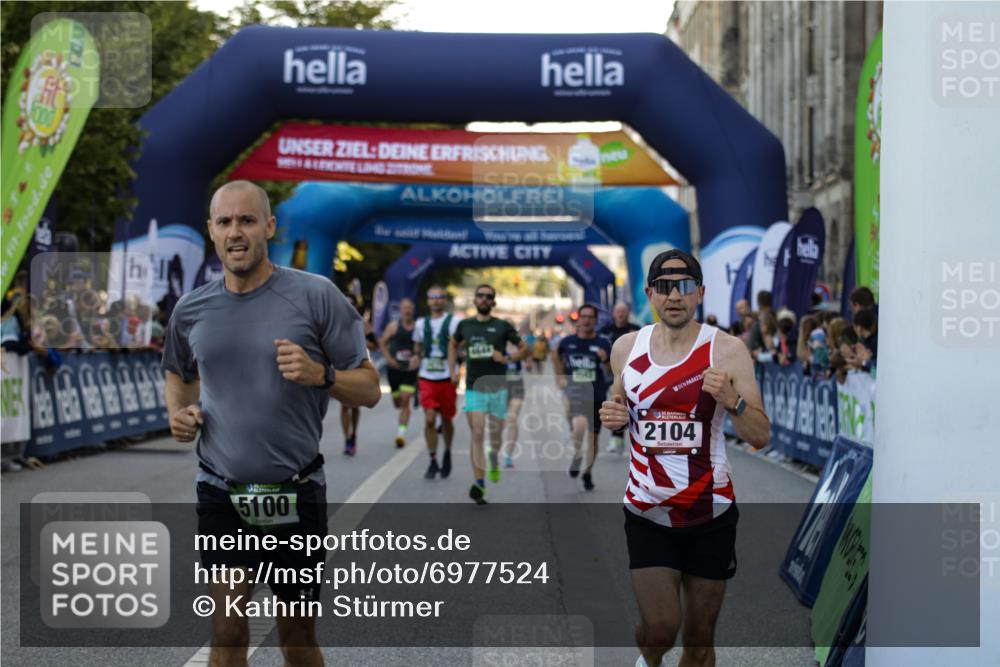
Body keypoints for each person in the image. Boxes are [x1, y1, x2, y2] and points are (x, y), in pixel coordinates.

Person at [163, 180, 380, 667]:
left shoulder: (316, 296)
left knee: (297, 637)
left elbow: (370, 389)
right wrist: (178, 414)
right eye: (225, 222)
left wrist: (320, 374)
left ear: (269, 227)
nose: (235, 232)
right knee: (228, 629)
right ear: (211, 232)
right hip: (221, 489)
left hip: (296, 490)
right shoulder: (191, 308)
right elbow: (178, 372)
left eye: (246, 220)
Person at [599, 249, 770, 667]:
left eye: (685, 286)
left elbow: (761, 436)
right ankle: (648, 658)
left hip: (709, 514)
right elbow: (618, 407)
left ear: (700, 294)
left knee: (698, 640)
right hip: (648, 511)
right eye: (664, 287)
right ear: (650, 294)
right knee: (660, 629)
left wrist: (733, 402)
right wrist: (613, 417)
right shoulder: (626, 348)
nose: (674, 296)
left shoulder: (727, 351)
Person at [449, 283, 527, 505]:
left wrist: (507, 358)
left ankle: (493, 456)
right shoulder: (465, 325)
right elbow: (452, 344)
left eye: (488, 296)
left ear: (493, 302)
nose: (483, 299)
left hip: (498, 389)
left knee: (495, 437)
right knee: (477, 433)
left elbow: (524, 349)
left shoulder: (502, 326)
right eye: (480, 295)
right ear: (474, 300)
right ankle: (479, 483)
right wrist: (453, 370)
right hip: (474, 388)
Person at [554, 303, 612, 491]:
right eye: (583, 316)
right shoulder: (567, 342)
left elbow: (612, 371)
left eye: (590, 317)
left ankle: (588, 472)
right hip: (575, 394)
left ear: (595, 321)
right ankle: (578, 455)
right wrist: (560, 378)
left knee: (593, 439)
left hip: (597, 394)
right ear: (578, 319)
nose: (586, 320)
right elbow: (555, 357)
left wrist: (604, 360)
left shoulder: (603, 343)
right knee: (579, 427)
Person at [410, 285, 460, 480]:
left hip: (447, 377)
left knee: (447, 419)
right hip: (427, 376)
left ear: (444, 300)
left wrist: (458, 369)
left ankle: (447, 451)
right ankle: (432, 459)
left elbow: (461, 347)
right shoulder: (421, 323)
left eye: (440, 297)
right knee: (430, 418)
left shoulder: (455, 322)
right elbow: (417, 347)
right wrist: (415, 357)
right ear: (428, 301)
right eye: (432, 297)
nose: (436, 300)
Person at [600, 302, 641, 454]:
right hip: (610, 372)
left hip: (631, 373)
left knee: (632, 405)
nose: (621, 314)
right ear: (613, 313)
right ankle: (616, 439)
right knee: (616, 402)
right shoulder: (605, 331)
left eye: (624, 311)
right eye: (618, 311)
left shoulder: (636, 330)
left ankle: (631, 439)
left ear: (628, 313)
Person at [341, 293, 379, 455]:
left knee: (354, 405)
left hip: (358, 365)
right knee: (344, 404)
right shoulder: (335, 322)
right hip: (341, 364)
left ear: (356, 306)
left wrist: (363, 343)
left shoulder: (362, 324)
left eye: (351, 304)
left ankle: (354, 434)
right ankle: (347, 439)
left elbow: (375, 345)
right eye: (345, 303)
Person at [378, 298, 418, 448]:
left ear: (413, 310)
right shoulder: (394, 326)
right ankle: (401, 422)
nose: (407, 310)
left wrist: (417, 356)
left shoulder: (417, 327)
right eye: (404, 308)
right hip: (394, 370)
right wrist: (389, 358)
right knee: (398, 403)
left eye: (409, 308)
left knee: (406, 400)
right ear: (400, 310)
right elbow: (382, 342)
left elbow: (421, 345)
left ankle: (401, 434)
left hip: (409, 370)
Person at [501, 339, 526, 469]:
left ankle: (508, 454)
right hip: (501, 386)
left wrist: (528, 362)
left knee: (512, 417)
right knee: (500, 420)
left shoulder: (520, 347)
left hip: (517, 386)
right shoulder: (497, 347)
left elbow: (529, 354)